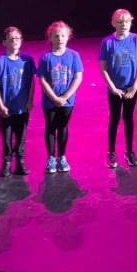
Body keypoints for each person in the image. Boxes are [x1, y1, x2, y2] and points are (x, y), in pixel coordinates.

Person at [99, 9, 137, 169]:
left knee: (128, 118)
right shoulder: (107, 42)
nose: (123, 25)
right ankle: (111, 152)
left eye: (126, 22)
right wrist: (113, 88)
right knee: (114, 119)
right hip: (115, 89)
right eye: (119, 22)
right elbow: (103, 68)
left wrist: (134, 87)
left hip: (131, 88)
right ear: (113, 23)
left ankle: (130, 151)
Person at [0, 27, 36, 176]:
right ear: (4, 42)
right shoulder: (0, 61)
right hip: (6, 107)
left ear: (21, 40)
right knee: (7, 137)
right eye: (10, 39)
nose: (14, 41)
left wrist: (30, 101)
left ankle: (20, 162)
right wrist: (0, 104)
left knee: (21, 136)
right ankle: (7, 162)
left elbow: (31, 82)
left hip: (22, 106)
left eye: (17, 38)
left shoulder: (27, 60)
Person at [38, 21, 83, 173]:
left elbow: (78, 77)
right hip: (49, 101)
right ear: (50, 37)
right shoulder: (45, 58)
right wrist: (54, 98)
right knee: (51, 127)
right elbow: (42, 80)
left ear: (68, 36)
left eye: (63, 35)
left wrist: (65, 96)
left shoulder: (74, 55)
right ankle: (51, 158)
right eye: (56, 36)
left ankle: (61, 157)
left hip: (67, 101)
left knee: (63, 127)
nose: (60, 39)